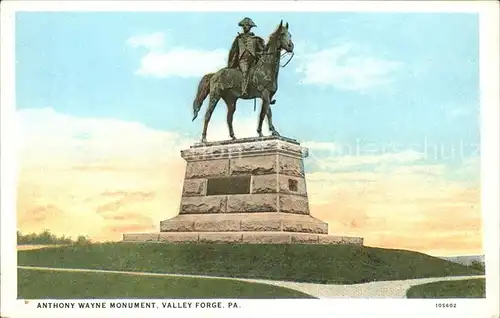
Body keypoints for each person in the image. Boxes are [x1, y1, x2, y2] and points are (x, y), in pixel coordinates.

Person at [227, 17, 265, 96]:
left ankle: (264, 93)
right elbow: (234, 51)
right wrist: (232, 62)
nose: (245, 27)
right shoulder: (238, 39)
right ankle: (244, 90)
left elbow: (262, 50)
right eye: (243, 25)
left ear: (250, 27)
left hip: (254, 61)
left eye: (247, 25)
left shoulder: (255, 39)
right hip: (243, 61)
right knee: (245, 72)